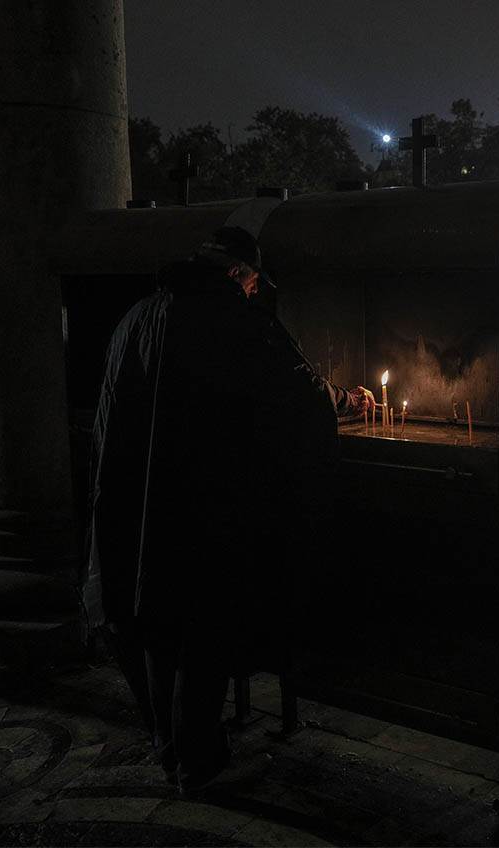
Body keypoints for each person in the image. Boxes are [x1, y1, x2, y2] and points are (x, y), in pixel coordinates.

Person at [84, 226, 374, 792]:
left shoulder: (135, 318)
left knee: (153, 623)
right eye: (252, 283)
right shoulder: (236, 323)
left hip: (136, 506)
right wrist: (348, 400)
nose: (252, 292)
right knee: (202, 630)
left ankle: (169, 747)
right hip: (202, 509)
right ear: (240, 274)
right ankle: (195, 762)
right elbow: (299, 396)